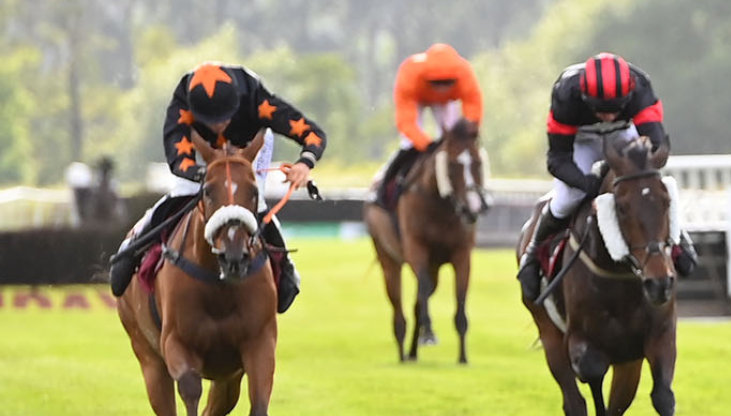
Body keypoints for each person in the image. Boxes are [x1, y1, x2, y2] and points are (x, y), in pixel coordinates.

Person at [109, 62, 327, 313]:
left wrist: (305, 163)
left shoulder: (256, 99)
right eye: (211, 121)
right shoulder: (182, 104)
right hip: (201, 154)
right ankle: (132, 247)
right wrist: (208, 174)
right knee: (184, 193)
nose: (219, 126)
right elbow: (179, 160)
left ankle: (284, 265)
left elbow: (313, 134)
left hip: (249, 146)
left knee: (253, 202)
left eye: (224, 118)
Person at [516, 52, 696, 302]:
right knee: (567, 198)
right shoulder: (566, 94)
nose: (608, 116)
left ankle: (680, 241)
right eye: (600, 109)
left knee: (650, 188)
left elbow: (654, 146)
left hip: (624, 135)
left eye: (615, 109)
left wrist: (639, 171)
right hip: (580, 140)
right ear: (585, 96)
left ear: (628, 96)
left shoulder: (641, 87)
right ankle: (532, 255)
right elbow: (557, 160)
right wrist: (586, 182)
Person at [373, 42, 484, 210]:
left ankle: (478, 193)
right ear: (426, 76)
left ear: (456, 78)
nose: (442, 88)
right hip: (416, 99)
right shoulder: (410, 73)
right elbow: (406, 121)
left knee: (458, 147)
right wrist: (427, 145)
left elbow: (473, 108)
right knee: (409, 144)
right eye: (436, 82)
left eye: (448, 82)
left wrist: (466, 135)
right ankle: (384, 185)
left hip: (446, 103)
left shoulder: (464, 72)